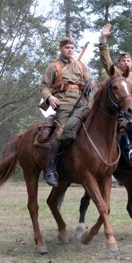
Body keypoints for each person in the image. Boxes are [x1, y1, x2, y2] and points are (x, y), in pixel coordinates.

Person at [40, 36, 93, 187]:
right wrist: (49, 97)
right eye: (67, 48)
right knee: (61, 132)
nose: (70, 50)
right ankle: (50, 170)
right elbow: (44, 86)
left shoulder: (81, 65)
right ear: (60, 49)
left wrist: (91, 84)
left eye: (71, 48)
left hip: (83, 102)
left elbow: (90, 81)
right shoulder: (53, 66)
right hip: (63, 103)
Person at [99, 23, 132, 164]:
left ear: (131, 63)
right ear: (118, 63)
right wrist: (104, 40)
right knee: (125, 123)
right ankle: (129, 150)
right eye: (122, 61)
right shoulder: (115, 75)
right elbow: (106, 60)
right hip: (120, 110)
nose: (125, 63)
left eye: (128, 60)